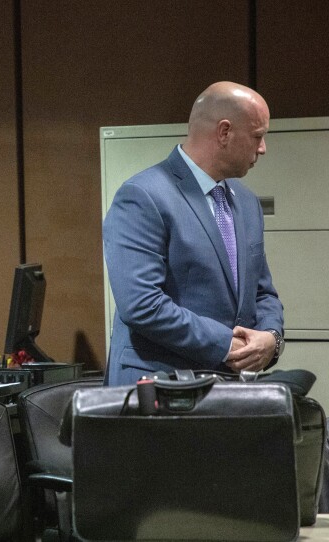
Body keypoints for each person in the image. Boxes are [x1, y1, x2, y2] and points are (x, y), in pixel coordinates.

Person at [103, 81, 283, 386]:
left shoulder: (247, 202)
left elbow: (262, 292)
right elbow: (142, 304)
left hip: (226, 392)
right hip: (159, 392)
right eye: (257, 136)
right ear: (224, 132)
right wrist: (226, 344)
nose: (263, 148)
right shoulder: (142, 196)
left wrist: (270, 337)